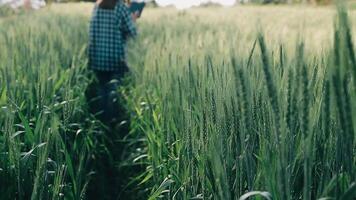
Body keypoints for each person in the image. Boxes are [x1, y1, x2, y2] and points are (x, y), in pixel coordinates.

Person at [88, 0, 139, 127]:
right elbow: (133, 33)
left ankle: (102, 125)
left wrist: (91, 58)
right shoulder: (121, 7)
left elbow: (92, 33)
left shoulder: (97, 6)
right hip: (116, 59)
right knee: (113, 93)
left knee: (103, 91)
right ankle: (112, 125)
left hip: (98, 59)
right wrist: (133, 19)